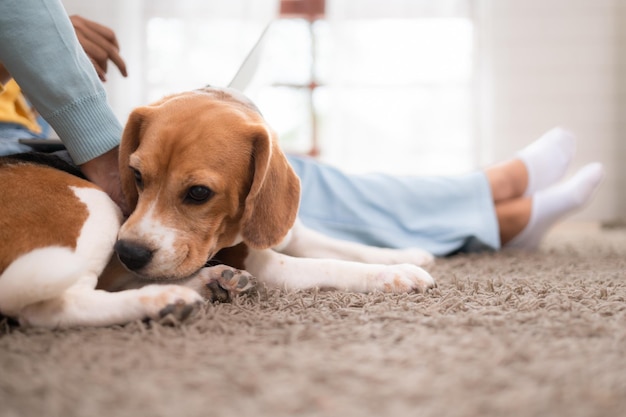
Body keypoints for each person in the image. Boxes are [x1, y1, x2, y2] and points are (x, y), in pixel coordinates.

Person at [0, 0, 604, 257]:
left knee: (272, 176)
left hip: (27, 119)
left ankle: (489, 200)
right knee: (262, 186)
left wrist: (44, 46)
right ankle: (492, 212)